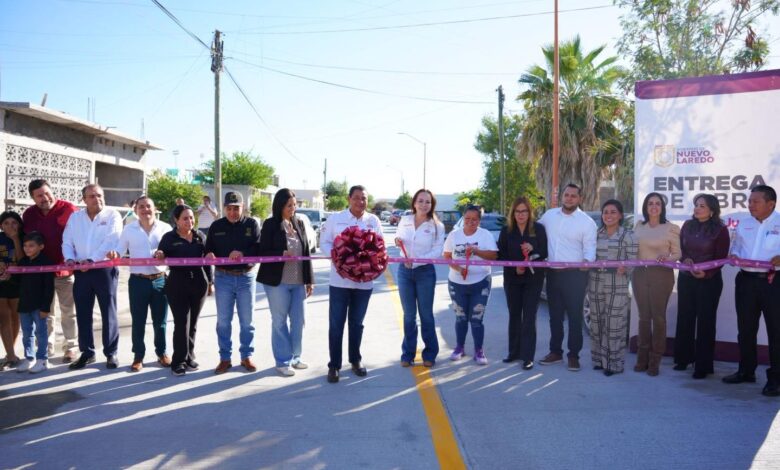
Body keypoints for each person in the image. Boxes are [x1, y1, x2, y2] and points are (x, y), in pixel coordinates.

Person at [320, 185, 384, 383]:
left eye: (364, 198)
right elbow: (325, 243)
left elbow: (380, 246)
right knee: (336, 324)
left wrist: (368, 264)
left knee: (357, 324)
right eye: (356, 198)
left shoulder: (373, 221)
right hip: (340, 281)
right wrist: (341, 259)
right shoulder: (335, 219)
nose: (360, 202)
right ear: (349, 199)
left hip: (364, 284)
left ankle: (355, 360)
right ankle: (334, 365)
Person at [724, 184, 780, 397]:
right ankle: (746, 371)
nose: (750, 205)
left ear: (770, 204)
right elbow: (735, 248)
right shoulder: (743, 224)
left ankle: (775, 379)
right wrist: (734, 256)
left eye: (755, 201)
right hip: (746, 281)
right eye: (749, 201)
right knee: (745, 329)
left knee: (776, 331)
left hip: (773, 282)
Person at [107, 196, 172, 372]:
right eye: (141, 207)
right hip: (138, 281)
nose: (145, 210)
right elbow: (119, 250)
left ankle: (162, 353)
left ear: (154, 208)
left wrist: (163, 254)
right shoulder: (129, 229)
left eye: (148, 206)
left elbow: (172, 250)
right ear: (136, 210)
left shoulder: (165, 228)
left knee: (161, 322)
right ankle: (138, 356)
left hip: (160, 280)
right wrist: (114, 254)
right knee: (138, 321)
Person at [62, 183, 123, 370]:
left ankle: (111, 353)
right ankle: (87, 353)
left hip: (104, 270)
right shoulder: (75, 217)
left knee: (108, 312)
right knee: (83, 313)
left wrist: (92, 260)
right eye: (92, 196)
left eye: (99, 195)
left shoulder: (112, 215)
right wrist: (70, 259)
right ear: (84, 200)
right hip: (81, 271)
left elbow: (111, 240)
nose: (97, 199)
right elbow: (67, 240)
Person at [538, 183, 597, 372]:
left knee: (574, 318)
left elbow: (590, 249)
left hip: (575, 276)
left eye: (573, 196)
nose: (569, 198)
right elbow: (536, 234)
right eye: (566, 194)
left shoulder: (587, 222)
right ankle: (555, 352)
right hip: (552, 275)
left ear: (580, 199)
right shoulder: (549, 216)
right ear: (562, 196)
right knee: (554, 317)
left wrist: (586, 263)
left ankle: (574, 356)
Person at [257, 189, 314, 376]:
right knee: (279, 321)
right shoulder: (271, 224)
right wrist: (280, 254)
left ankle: (296, 357)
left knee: (299, 321)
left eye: (295, 205)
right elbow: (262, 251)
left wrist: (309, 280)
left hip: (298, 281)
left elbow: (306, 253)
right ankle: (282, 361)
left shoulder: (299, 223)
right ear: (280, 205)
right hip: (277, 282)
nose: (293, 208)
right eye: (289, 205)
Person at [22, 179, 79, 362]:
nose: (45, 198)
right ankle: (46, 346)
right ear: (33, 198)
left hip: (65, 272)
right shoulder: (29, 214)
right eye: (39, 195)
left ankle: (71, 346)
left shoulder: (69, 209)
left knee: (68, 311)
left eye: (47, 193)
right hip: (39, 274)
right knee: (45, 312)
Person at [673, 194, 730, 379]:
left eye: (702, 206)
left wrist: (707, 273)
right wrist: (685, 259)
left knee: (705, 322)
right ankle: (683, 359)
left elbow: (721, 258)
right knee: (685, 318)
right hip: (687, 279)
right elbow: (683, 251)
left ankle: (703, 366)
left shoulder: (721, 230)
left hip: (709, 281)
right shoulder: (688, 226)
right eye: (696, 205)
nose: (697, 208)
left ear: (712, 210)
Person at [205, 191, 262, 374]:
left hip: (246, 277)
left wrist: (243, 255)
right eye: (229, 208)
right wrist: (209, 255)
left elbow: (259, 248)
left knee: (247, 322)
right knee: (223, 321)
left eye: (236, 208)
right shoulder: (216, 226)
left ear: (242, 207)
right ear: (224, 208)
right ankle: (225, 358)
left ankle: (246, 356)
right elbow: (208, 250)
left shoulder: (252, 224)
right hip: (223, 278)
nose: (232, 212)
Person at [156, 205, 213, 376]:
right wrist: (159, 254)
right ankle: (178, 361)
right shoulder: (169, 237)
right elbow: (161, 254)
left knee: (193, 323)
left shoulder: (200, 236)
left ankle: (189, 357)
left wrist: (210, 282)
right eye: (185, 218)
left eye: (191, 218)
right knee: (181, 323)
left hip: (198, 283)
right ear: (176, 220)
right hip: (177, 283)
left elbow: (207, 259)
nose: (189, 221)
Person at [632, 192, 681, 377]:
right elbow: (632, 248)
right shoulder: (638, 225)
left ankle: (655, 359)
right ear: (645, 207)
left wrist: (667, 258)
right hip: (639, 274)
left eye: (657, 203)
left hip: (661, 274)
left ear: (662, 207)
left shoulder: (671, 228)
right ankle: (641, 357)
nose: (654, 206)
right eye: (650, 203)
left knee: (658, 317)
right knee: (644, 316)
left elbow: (678, 253)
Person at [395, 189, 445, 368]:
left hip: (425, 272)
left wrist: (415, 262)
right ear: (414, 203)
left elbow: (437, 251)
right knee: (409, 316)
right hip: (404, 272)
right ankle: (408, 354)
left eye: (428, 202)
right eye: (421, 201)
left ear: (432, 205)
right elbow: (399, 239)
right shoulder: (405, 220)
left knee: (426, 315)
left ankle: (430, 354)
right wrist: (398, 242)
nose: (424, 205)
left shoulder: (436, 226)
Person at [587, 199, 638, 376]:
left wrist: (627, 267)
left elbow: (633, 261)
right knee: (597, 322)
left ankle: (613, 364)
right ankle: (598, 360)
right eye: (605, 212)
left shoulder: (628, 235)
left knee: (614, 323)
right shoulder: (595, 234)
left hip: (618, 283)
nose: (608, 215)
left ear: (620, 215)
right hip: (595, 281)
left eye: (613, 212)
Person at [443, 205, 498, 365]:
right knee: (461, 318)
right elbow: (446, 256)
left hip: (481, 282)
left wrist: (476, 251)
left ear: (479, 221)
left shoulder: (485, 235)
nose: (470, 222)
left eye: (474, 219)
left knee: (476, 319)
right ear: (463, 219)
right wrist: (459, 268)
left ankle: (479, 351)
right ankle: (459, 347)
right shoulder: (454, 235)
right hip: (456, 282)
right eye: (467, 219)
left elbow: (494, 255)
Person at [497, 196, 547, 370]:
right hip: (512, 279)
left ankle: (528, 357)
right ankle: (514, 352)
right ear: (513, 213)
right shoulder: (506, 231)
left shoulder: (538, 229)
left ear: (529, 212)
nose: (521, 214)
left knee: (529, 317)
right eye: (517, 211)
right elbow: (501, 256)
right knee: (514, 315)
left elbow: (545, 252)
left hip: (533, 279)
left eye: (524, 211)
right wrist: (514, 268)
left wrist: (533, 250)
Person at [15, 232, 55, 373]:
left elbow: (49, 288)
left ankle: (42, 360)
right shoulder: (22, 262)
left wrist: (45, 307)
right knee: (27, 333)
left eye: (31, 246)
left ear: (41, 246)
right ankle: (29, 358)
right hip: (24, 305)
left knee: (41, 333)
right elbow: (17, 282)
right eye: (25, 245)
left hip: (39, 306)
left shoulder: (47, 263)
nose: (27, 248)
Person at [0, 211, 23, 370]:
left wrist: (15, 239)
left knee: (16, 316)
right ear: (1, 225)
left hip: (18, 282)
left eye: (14, 222)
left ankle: (10, 353)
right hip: (1, 281)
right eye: (6, 223)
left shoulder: (24, 238)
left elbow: (22, 259)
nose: (10, 226)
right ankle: (10, 353)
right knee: (4, 316)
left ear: (19, 224)